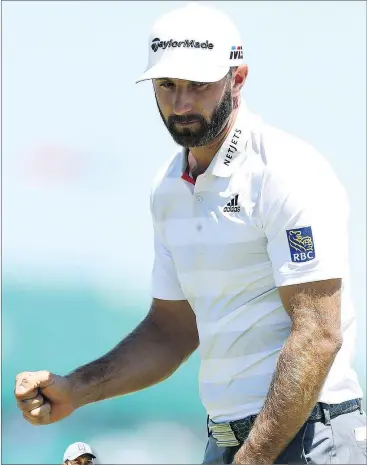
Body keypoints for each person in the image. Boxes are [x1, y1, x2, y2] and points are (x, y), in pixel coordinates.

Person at [14, 2, 366, 464]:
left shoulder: (286, 171)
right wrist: (74, 388)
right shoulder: (168, 189)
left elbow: (319, 334)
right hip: (227, 442)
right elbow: (171, 329)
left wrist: (251, 458)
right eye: (167, 85)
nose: (181, 104)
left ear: (237, 79)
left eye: (198, 85)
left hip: (312, 437)